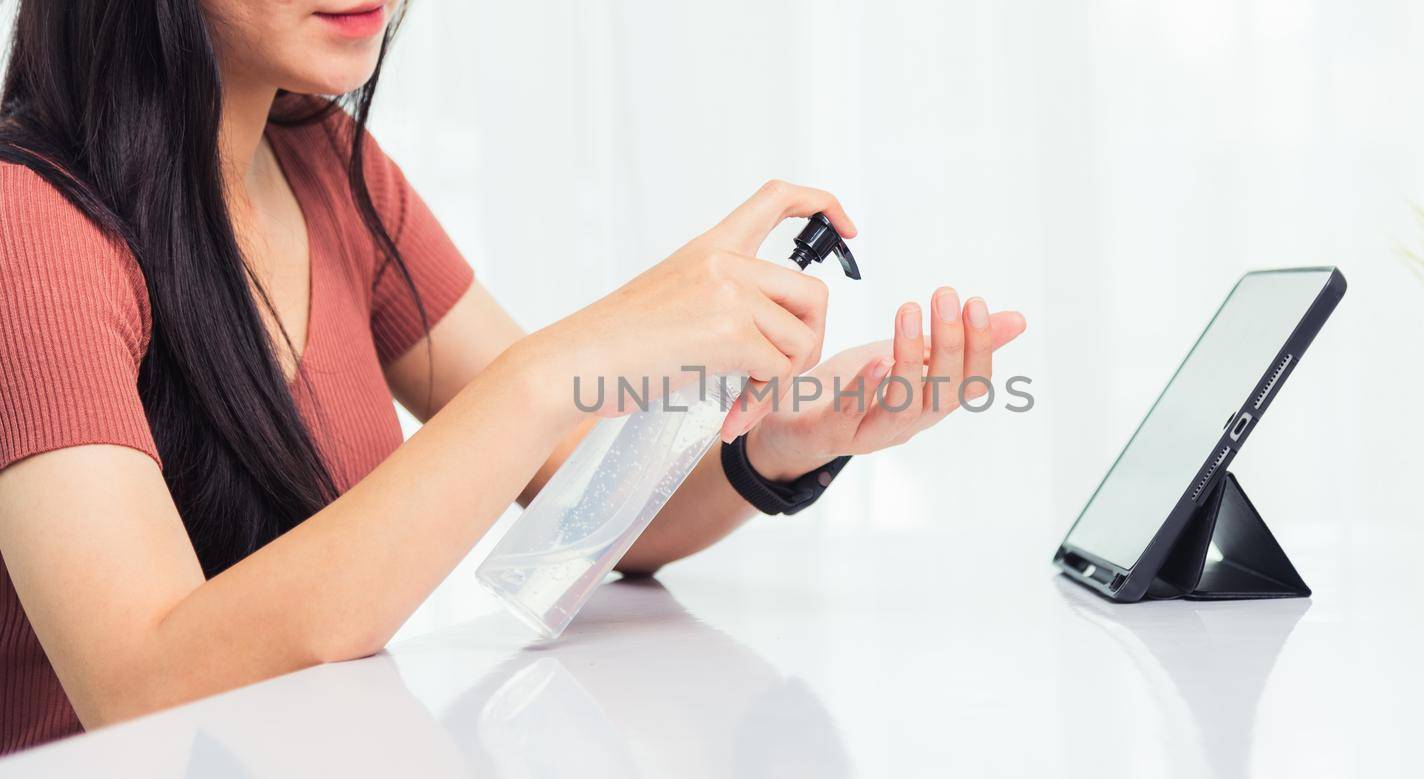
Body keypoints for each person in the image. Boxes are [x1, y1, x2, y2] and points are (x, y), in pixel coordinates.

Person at [0, 0, 1026, 753]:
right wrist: (560, 362)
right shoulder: (27, 228)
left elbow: (591, 503)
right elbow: (140, 684)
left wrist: (786, 442)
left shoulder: (329, 170)